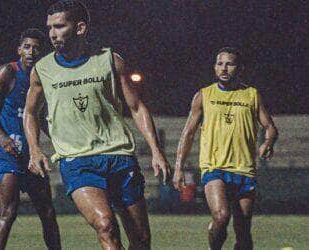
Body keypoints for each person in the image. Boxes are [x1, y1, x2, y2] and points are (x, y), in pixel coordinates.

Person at [23, 1, 171, 249]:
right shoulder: (42, 69)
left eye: (59, 26)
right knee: (105, 224)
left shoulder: (110, 61)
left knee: (141, 240)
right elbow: (29, 113)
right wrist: (34, 149)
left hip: (119, 156)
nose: (52, 33)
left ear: (80, 28)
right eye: (50, 27)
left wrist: (156, 150)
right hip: (77, 161)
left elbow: (136, 107)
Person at [173, 47, 278, 250]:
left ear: (239, 68)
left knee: (244, 234)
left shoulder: (251, 95)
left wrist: (268, 142)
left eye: (229, 64)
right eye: (220, 64)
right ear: (214, 67)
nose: (224, 68)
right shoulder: (204, 95)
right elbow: (188, 133)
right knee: (221, 216)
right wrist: (178, 168)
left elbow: (270, 127)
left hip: (244, 170)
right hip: (214, 168)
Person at [0, 28, 61, 250]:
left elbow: (42, 118)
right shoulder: (8, 72)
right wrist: (2, 137)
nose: (31, 51)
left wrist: (59, 141)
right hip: (7, 155)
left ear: (42, 52)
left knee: (48, 212)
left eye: (36, 47)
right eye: (27, 46)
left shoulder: (44, 77)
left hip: (31, 156)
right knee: (8, 212)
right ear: (19, 50)